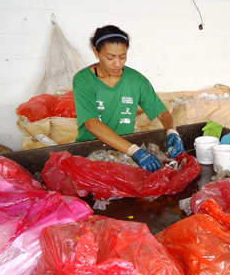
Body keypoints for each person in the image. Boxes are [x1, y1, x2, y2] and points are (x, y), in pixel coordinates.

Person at [73, 25, 184, 172]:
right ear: (96, 51)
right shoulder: (84, 80)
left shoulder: (136, 80)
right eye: (110, 58)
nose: (117, 64)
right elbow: (91, 123)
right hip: (92, 152)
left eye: (122, 57)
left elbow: (163, 113)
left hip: (125, 151)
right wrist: (135, 151)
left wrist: (172, 132)